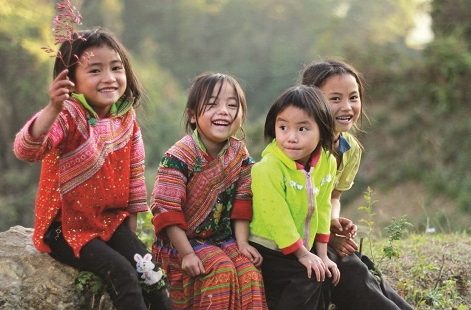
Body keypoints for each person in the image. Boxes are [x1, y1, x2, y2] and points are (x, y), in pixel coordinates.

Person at [13, 27, 172, 310]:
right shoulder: (68, 114)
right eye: (95, 71)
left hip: (110, 221)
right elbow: (26, 150)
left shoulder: (126, 118)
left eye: (115, 68)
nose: (109, 78)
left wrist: (130, 238)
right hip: (65, 227)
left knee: (150, 272)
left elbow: (136, 180)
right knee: (122, 274)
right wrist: (52, 107)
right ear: (71, 80)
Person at [301, 58, 413, 309]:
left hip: (320, 234)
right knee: (353, 271)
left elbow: (333, 198)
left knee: (363, 269)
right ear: (310, 101)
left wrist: (334, 223)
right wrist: (328, 237)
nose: (347, 107)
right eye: (335, 98)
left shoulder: (348, 148)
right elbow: (292, 208)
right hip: (292, 239)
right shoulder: (299, 147)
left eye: (353, 97)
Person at [150, 72, 267, 310]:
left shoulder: (240, 154)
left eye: (232, 105)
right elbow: (167, 210)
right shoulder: (179, 156)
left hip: (224, 239)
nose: (223, 111)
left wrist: (243, 244)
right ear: (193, 116)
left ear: (241, 115)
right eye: (212, 104)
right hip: (183, 242)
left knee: (249, 270)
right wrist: (187, 254)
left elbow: (244, 201)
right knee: (220, 269)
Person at [248, 85, 340, 310]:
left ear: (323, 130)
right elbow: (276, 217)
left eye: (302, 129)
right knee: (307, 275)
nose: (291, 137)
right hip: (268, 248)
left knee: (324, 272)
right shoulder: (268, 168)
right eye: (283, 127)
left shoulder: (327, 163)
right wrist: (302, 254)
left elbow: (323, 206)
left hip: (300, 246)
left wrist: (322, 254)